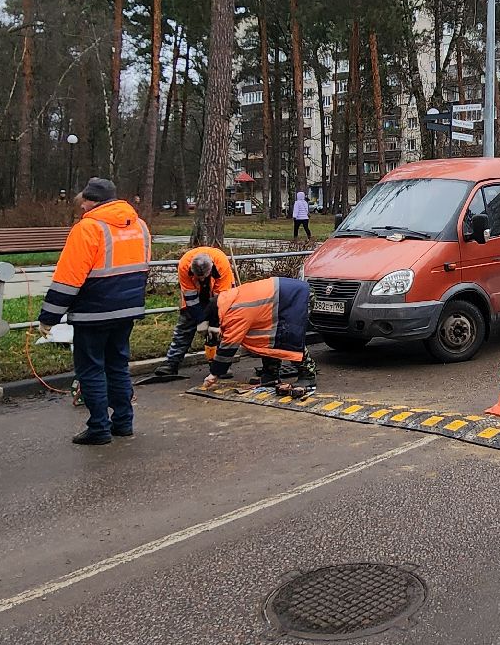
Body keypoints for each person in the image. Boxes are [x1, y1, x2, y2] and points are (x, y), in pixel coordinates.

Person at [39, 177, 152, 445]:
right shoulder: (140, 225)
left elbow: (69, 277)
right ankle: (124, 422)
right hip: (128, 309)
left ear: (89, 201)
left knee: (90, 369)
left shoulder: (88, 228)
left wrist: (49, 317)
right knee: (118, 365)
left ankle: (99, 427)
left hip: (94, 311)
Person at [198, 275, 317, 397]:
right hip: (281, 298)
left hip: (297, 297)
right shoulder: (226, 301)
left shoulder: (235, 312)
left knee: (289, 337)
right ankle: (271, 374)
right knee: (268, 338)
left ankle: (308, 375)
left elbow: (228, 345)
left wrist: (214, 374)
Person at [151, 245, 236, 379]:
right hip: (195, 296)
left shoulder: (221, 263)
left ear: (211, 269)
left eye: (204, 277)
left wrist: (213, 326)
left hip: (219, 297)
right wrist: (201, 321)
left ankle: (220, 365)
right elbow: (190, 299)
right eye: (198, 277)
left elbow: (220, 301)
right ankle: (171, 364)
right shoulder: (184, 265)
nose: (201, 279)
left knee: (221, 329)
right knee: (185, 326)